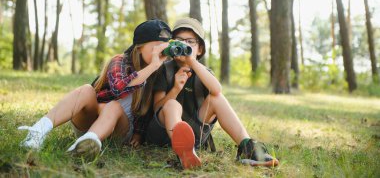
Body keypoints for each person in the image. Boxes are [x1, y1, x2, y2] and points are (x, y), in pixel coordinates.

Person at [18, 19, 171, 161]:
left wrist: (138, 134)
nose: (160, 53)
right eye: (156, 47)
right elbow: (119, 89)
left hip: (119, 131)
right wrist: (152, 67)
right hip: (91, 119)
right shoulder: (120, 61)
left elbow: (146, 111)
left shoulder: (158, 73)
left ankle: (89, 142)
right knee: (86, 90)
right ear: (139, 48)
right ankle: (38, 132)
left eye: (164, 48)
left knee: (114, 106)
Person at [145, 17, 279, 169]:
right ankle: (181, 149)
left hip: (194, 137)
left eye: (190, 42)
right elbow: (157, 108)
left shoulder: (203, 73)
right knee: (171, 104)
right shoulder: (164, 69)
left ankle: (248, 146)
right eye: (179, 40)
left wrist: (192, 62)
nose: (184, 45)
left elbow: (217, 90)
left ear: (200, 49)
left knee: (217, 98)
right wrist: (175, 89)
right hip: (163, 133)